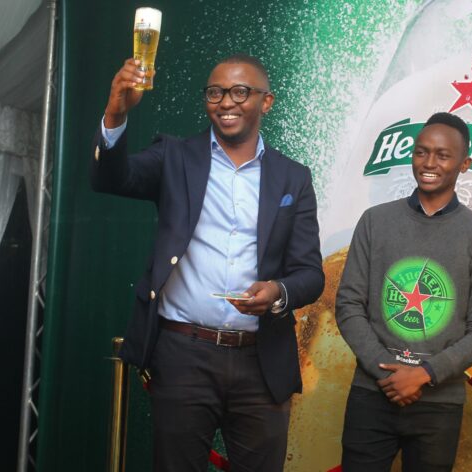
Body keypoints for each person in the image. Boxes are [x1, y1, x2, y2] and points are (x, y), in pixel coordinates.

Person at [91, 54, 324, 472]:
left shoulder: (293, 178)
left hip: (261, 359)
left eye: (240, 92)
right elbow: (112, 178)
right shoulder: (175, 157)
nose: (226, 102)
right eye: (215, 92)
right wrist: (115, 113)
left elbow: (310, 274)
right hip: (184, 353)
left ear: (266, 102)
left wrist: (276, 293)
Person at [335, 112, 472, 472]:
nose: (429, 163)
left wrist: (425, 372)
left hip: (439, 403)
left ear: (464, 164)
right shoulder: (374, 222)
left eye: (443, 155)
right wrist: (386, 373)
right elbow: (349, 304)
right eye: (421, 152)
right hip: (372, 394)